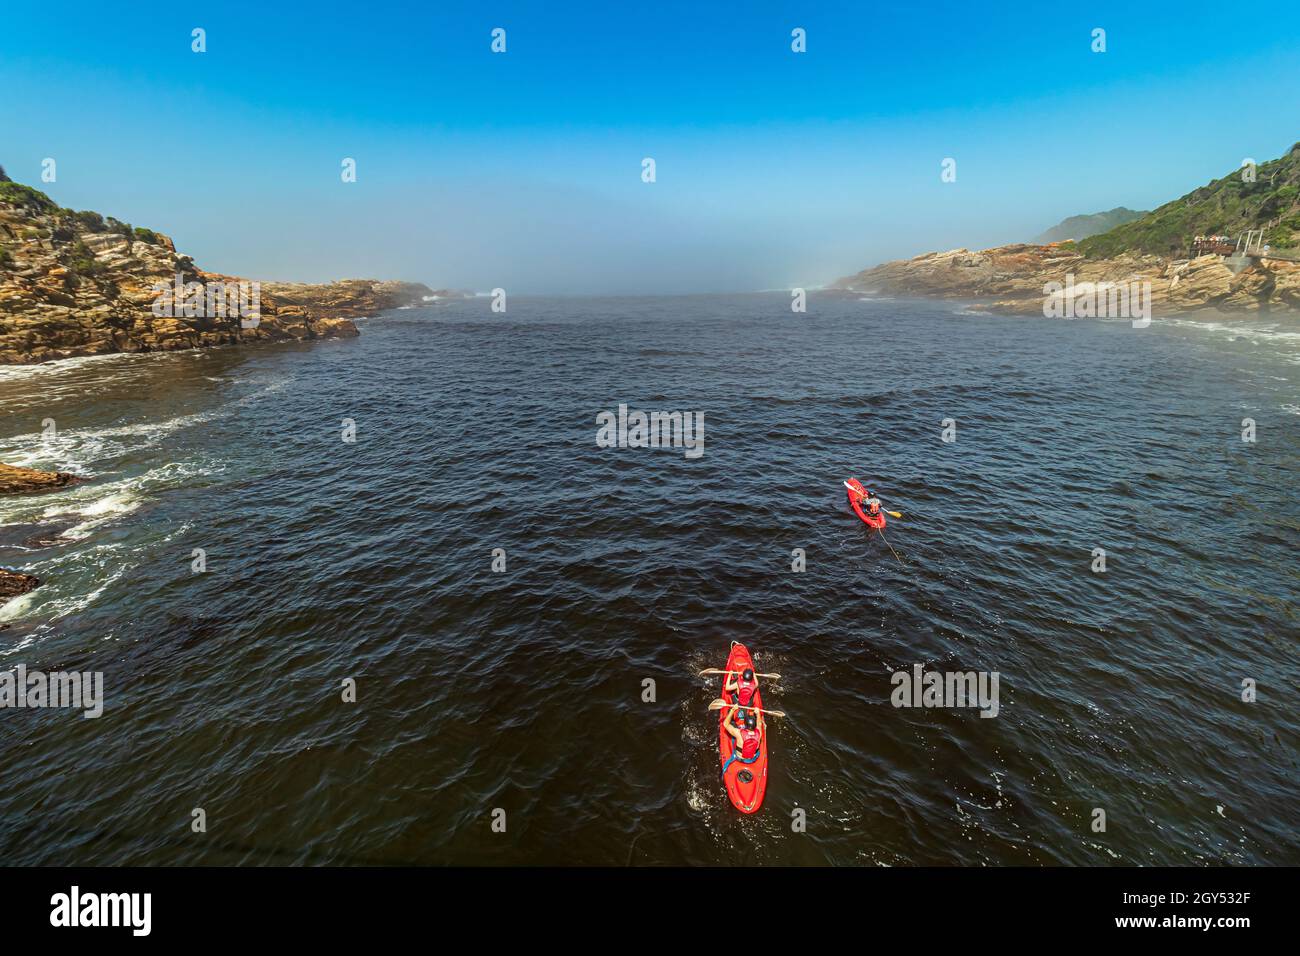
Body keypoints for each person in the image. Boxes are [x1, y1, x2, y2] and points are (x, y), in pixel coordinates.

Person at [721, 706, 764, 776]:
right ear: (754, 725)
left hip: (740, 758)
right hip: (753, 758)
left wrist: (732, 710)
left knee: (733, 732)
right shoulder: (759, 732)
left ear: (745, 725)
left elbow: (725, 724)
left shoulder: (738, 733)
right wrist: (758, 713)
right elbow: (759, 724)